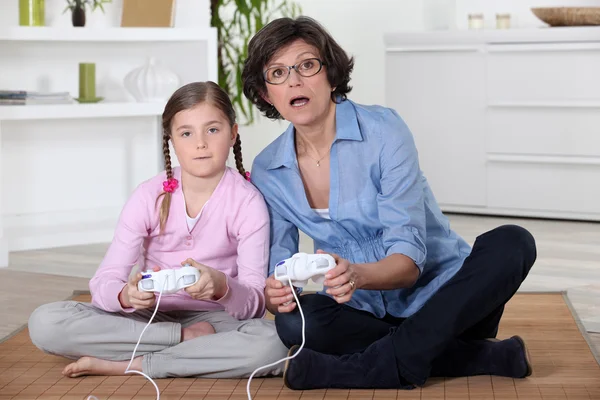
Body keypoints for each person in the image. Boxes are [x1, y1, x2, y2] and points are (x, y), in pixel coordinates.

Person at [241, 16, 537, 390]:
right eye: (278, 73)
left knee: (514, 241)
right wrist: (275, 292)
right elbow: (279, 268)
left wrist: (357, 275)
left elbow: (409, 263)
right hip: (363, 313)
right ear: (266, 94)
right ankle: (472, 355)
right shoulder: (268, 169)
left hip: (445, 298)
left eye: (307, 65)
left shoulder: (383, 131)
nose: (295, 81)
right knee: (293, 323)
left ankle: (369, 368)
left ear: (330, 73)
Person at [27, 81, 288, 380]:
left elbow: (253, 304)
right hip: (145, 318)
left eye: (212, 130)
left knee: (274, 343)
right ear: (171, 141)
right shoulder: (148, 195)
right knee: (46, 322)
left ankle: (132, 364)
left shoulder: (247, 201)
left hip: (216, 321)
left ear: (233, 134)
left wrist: (222, 287)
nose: (200, 143)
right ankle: (184, 343)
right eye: (186, 133)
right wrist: (126, 295)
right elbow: (104, 282)